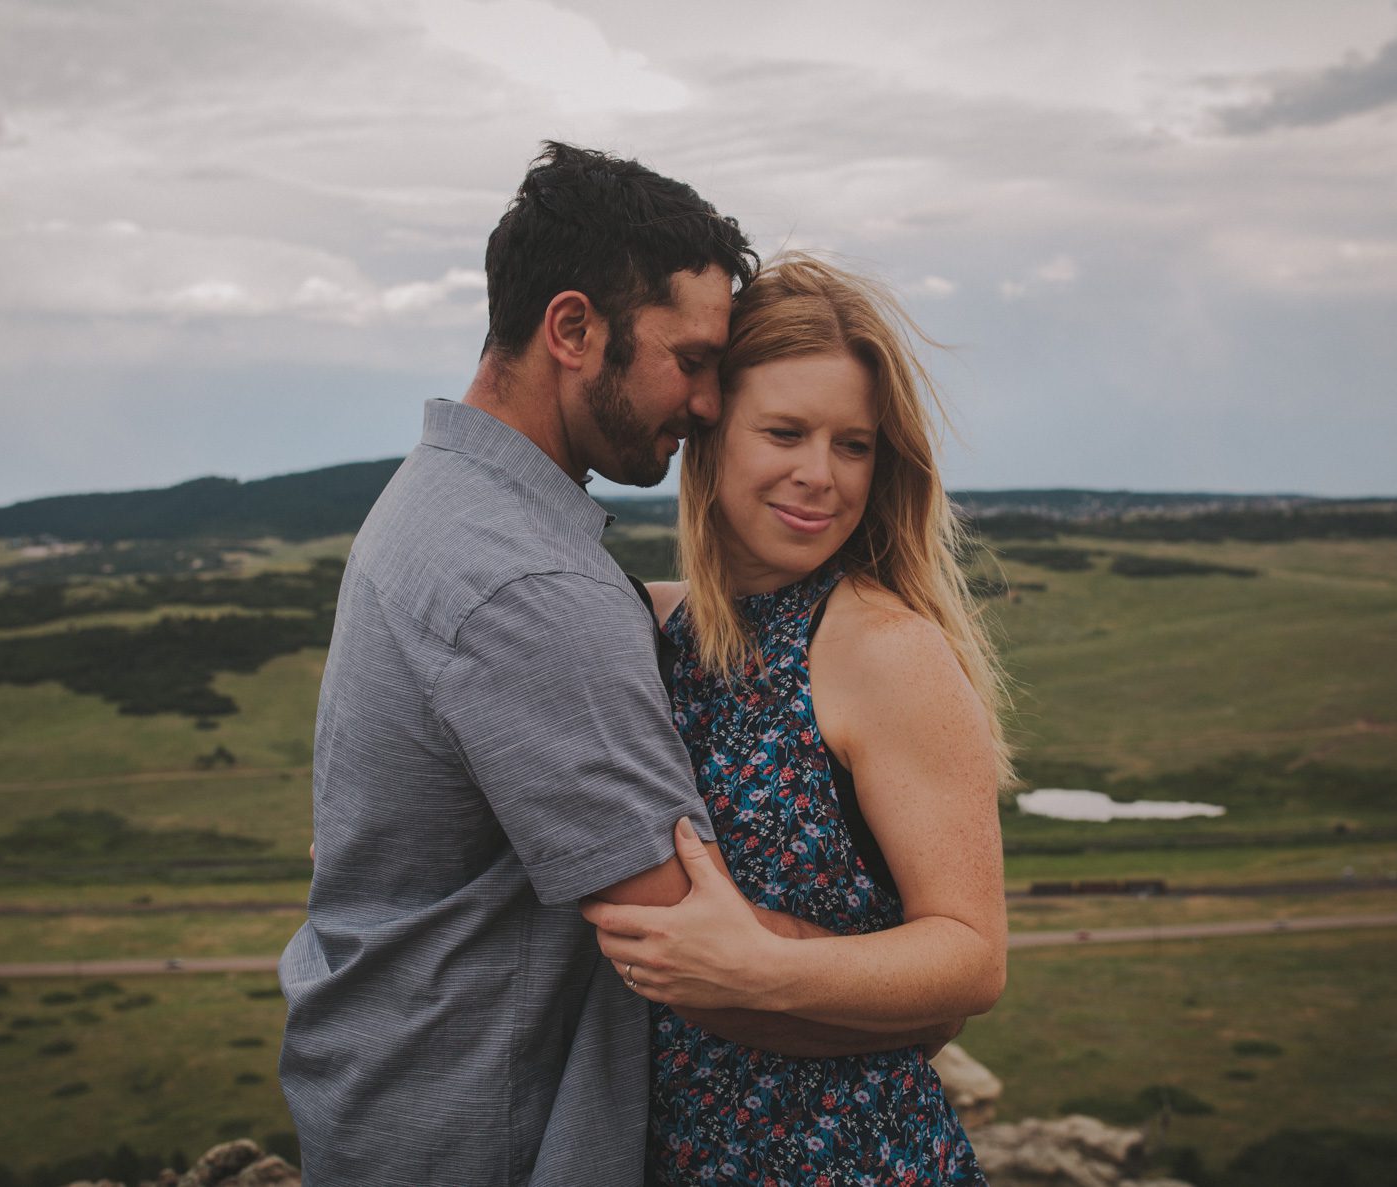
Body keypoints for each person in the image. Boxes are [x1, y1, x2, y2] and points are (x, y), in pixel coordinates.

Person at [277, 146, 945, 1187]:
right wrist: (918, 999)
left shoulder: (439, 500)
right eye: (690, 360)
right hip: (484, 1131)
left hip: (392, 1094)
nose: (707, 404)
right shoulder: (532, 584)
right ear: (574, 329)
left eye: (850, 444)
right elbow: (697, 963)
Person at [580, 254, 1012, 1184]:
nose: (820, 475)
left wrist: (763, 971)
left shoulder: (882, 650)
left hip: (855, 1160)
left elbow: (971, 957)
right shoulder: (648, 631)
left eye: (852, 444)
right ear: (711, 432)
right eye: (784, 431)